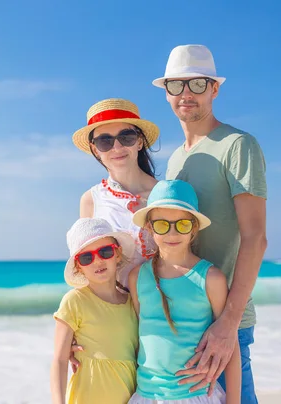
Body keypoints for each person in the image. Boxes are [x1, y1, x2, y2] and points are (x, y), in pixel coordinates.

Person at [153, 44, 268, 403]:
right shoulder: (174, 160)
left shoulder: (237, 145)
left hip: (224, 321)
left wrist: (229, 323)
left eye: (197, 84)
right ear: (167, 92)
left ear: (214, 88)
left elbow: (255, 238)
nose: (186, 94)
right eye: (177, 85)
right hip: (183, 321)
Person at [127, 179, 241, 404]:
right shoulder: (137, 277)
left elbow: (231, 345)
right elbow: (137, 336)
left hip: (196, 396)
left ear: (194, 228)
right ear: (149, 227)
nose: (172, 233)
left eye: (182, 225)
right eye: (162, 225)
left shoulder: (210, 278)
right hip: (147, 396)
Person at [73, 98, 160, 291]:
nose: (117, 147)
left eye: (126, 137)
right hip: (117, 313)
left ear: (139, 141)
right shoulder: (90, 200)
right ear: (95, 149)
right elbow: (88, 266)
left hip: (165, 311)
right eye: (105, 141)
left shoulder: (165, 194)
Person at [50, 217, 139, 404]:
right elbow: (59, 359)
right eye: (86, 257)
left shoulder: (133, 303)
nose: (97, 261)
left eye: (105, 251)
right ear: (79, 267)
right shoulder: (75, 301)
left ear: (117, 254)